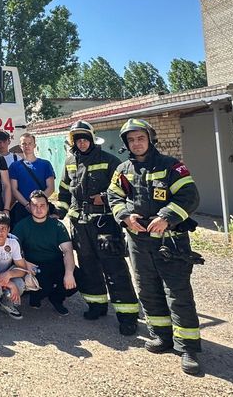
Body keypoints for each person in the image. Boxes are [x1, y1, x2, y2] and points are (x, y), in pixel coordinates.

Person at [108, 118, 203, 375]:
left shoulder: (171, 165)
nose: (136, 143)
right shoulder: (124, 169)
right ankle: (162, 335)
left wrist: (166, 217)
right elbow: (114, 196)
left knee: (177, 292)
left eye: (140, 138)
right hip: (138, 240)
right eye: (131, 139)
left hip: (169, 240)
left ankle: (188, 348)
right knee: (148, 289)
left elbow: (189, 196)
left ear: (150, 139)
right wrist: (126, 216)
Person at [57, 120, 139, 336]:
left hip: (105, 224)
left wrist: (103, 198)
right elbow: (65, 192)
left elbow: (126, 192)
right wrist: (58, 214)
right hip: (80, 226)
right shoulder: (69, 162)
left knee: (115, 269)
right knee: (88, 267)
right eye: (78, 139)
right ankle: (97, 305)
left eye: (85, 138)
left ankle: (127, 316)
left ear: (92, 139)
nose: (82, 143)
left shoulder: (109, 160)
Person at [12, 190, 77, 316]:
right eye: (35, 205)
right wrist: (25, 263)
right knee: (44, 286)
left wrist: (69, 273)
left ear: (48, 207)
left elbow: (68, 251)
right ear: (29, 207)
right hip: (34, 265)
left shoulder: (57, 225)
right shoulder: (22, 226)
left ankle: (57, 299)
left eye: (42, 205)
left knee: (80, 278)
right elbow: (12, 251)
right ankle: (35, 297)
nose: (39, 209)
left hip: (54, 262)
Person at [8, 133, 55, 227]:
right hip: (23, 208)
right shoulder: (15, 166)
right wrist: (27, 205)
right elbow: (14, 189)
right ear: (20, 146)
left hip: (41, 208)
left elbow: (51, 187)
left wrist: (37, 203)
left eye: (30, 143)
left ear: (34, 145)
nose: (27, 146)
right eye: (24, 144)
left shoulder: (45, 164)